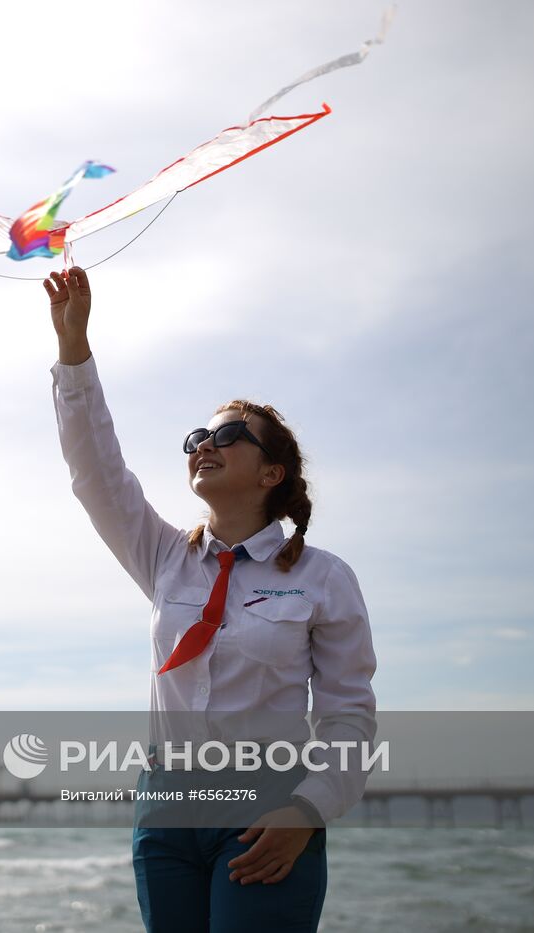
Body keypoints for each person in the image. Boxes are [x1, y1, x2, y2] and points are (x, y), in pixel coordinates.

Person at [45, 266, 377, 933]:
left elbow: (348, 719)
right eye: (198, 438)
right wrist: (74, 350)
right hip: (166, 806)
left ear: (272, 471)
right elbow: (95, 472)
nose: (206, 445)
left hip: (267, 805)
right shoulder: (165, 556)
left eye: (228, 436)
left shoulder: (324, 577)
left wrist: (307, 809)